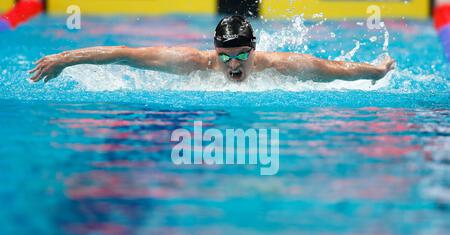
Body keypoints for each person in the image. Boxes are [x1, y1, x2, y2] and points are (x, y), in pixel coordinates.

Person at [29, 15, 395, 83]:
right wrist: (64, 60)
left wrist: (376, 71)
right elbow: (123, 52)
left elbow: (334, 69)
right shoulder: (190, 63)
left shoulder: (281, 66)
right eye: (225, 56)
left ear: (254, 51)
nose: (233, 65)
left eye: (240, 56)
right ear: (214, 50)